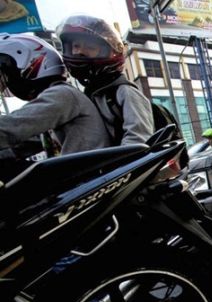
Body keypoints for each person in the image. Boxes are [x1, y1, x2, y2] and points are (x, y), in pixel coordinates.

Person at [0, 34, 110, 180]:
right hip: (76, 177)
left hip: (82, 180)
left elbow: (14, 127)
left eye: (8, 74)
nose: (8, 81)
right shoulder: (57, 96)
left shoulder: (62, 94)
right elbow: (26, 143)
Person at [57, 15, 154, 146]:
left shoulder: (124, 92)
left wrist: (116, 164)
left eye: (90, 47)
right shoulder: (90, 95)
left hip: (123, 164)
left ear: (108, 52)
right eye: (76, 46)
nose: (79, 52)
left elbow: (139, 140)